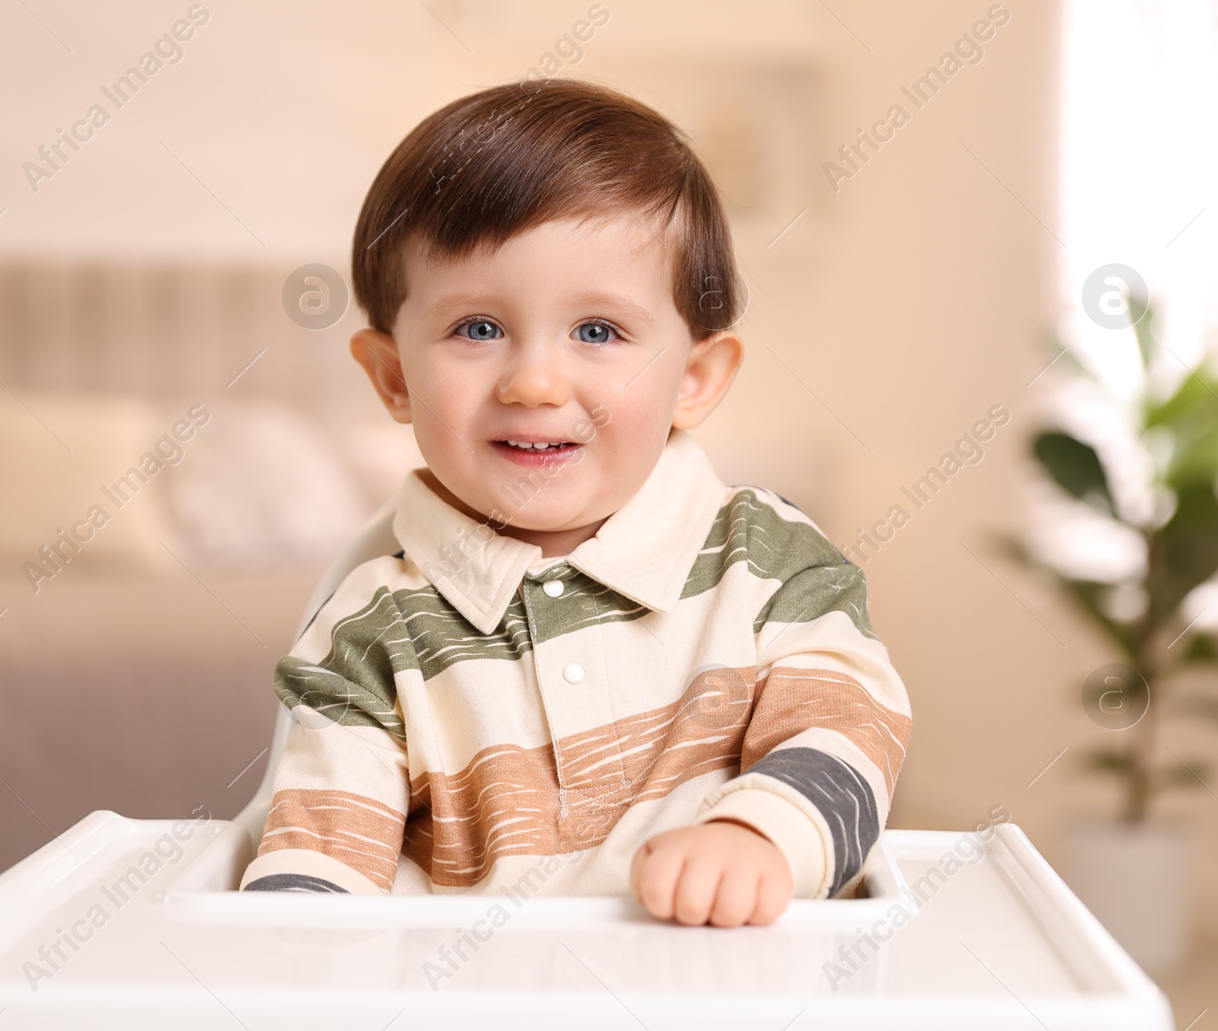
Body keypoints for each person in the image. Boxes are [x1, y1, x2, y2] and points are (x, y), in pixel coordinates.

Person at [239, 78, 911, 927]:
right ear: (394, 376)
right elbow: (318, 862)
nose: (534, 382)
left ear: (694, 380)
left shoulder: (764, 557)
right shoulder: (371, 629)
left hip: (734, 987)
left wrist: (761, 834)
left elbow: (851, 723)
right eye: (477, 328)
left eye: (597, 331)